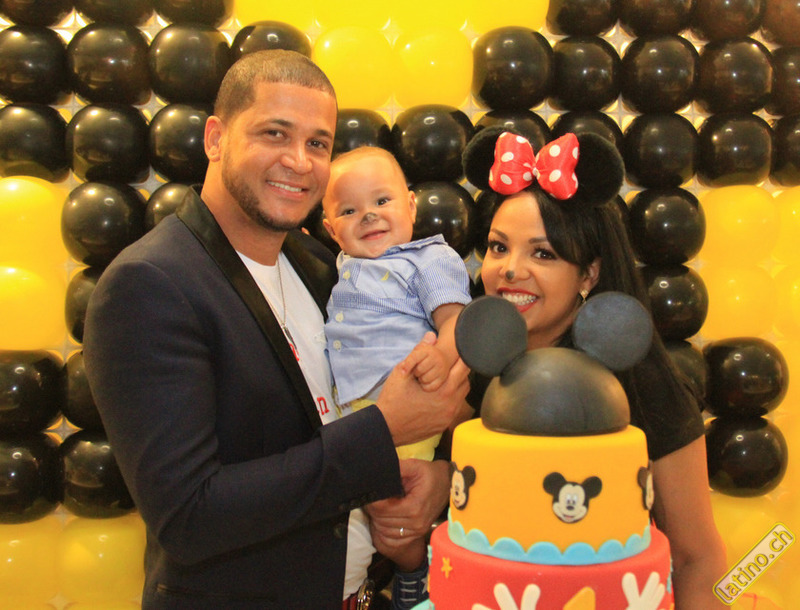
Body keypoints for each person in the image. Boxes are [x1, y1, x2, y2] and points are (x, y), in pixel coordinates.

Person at [82, 49, 469, 609]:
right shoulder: (149, 283)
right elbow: (190, 516)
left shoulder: (324, 265)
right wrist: (381, 433)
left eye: (318, 143)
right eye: (275, 133)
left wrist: (435, 477)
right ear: (216, 138)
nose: (299, 161)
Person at [462, 128, 728, 608]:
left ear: (589, 273)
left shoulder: (643, 384)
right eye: (499, 247)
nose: (510, 269)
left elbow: (697, 558)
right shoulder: (473, 366)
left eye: (543, 253)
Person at [321, 146, 472, 607]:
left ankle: (410, 576)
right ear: (330, 229)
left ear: (411, 205)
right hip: (349, 412)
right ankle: (411, 572)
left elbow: (456, 320)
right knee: (359, 510)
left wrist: (440, 356)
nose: (368, 215)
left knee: (380, 515)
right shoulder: (343, 263)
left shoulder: (428, 258)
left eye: (382, 201)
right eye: (349, 210)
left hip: (407, 405)